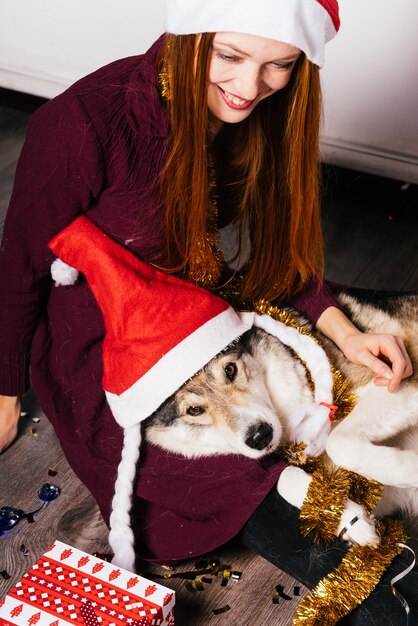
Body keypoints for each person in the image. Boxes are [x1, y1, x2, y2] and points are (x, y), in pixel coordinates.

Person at [0, 0, 415, 623]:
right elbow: (19, 269)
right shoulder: (83, 122)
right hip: (100, 351)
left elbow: (277, 257)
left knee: (311, 387)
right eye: (230, 56)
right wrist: (3, 398)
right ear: (192, 33)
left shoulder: (262, 115)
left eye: (279, 65)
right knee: (211, 479)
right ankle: (388, 590)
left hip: (203, 318)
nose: (250, 88)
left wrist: (343, 330)